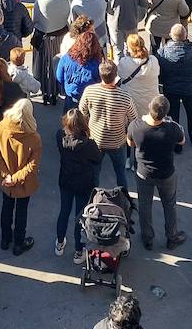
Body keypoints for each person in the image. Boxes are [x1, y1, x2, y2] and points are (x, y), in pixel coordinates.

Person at [127, 95, 186, 251]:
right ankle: (172, 237)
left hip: (143, 173)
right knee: (169, 204)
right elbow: (182, 141)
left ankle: (147, 238)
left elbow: (130, 143)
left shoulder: (136, 126)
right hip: (166, 173)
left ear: (149, 107)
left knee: (145, 204)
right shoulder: (172, 128)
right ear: (165, 113)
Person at [0, 98, 41, 256]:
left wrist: (6, 175)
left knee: (6, 206)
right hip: (24, 183)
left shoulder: (1, 126)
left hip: (5, 180)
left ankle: (5, 240)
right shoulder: (34, 137)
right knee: (21, 211)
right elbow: (32, 166)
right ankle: (19, 244)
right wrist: (16, 178)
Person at [78, 63, 138, 191]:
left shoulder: (90, 91)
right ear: (116, 76)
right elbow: (134, 119)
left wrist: (88, 126)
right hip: (117, 142)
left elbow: (82, 111)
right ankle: (124, 196)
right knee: (120, 172)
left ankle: (93, 195)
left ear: (100, 75)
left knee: (94, 171)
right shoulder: (125, 96)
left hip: (96, 140)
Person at [53, 107, 99, 261]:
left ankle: (60, 243)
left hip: (65, 180)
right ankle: (79, 251)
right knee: (80, 217)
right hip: (83, 183)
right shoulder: (88, 144)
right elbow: (97, 159)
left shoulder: (60, 136)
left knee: (64, 211)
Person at [157, 23, 192, 150]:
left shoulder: (163, 52)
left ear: (171, 35)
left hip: (170, 89)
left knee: (172, 116)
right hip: (190, 89)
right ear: (185, 36)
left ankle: (176, 143)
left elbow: (159, 73)